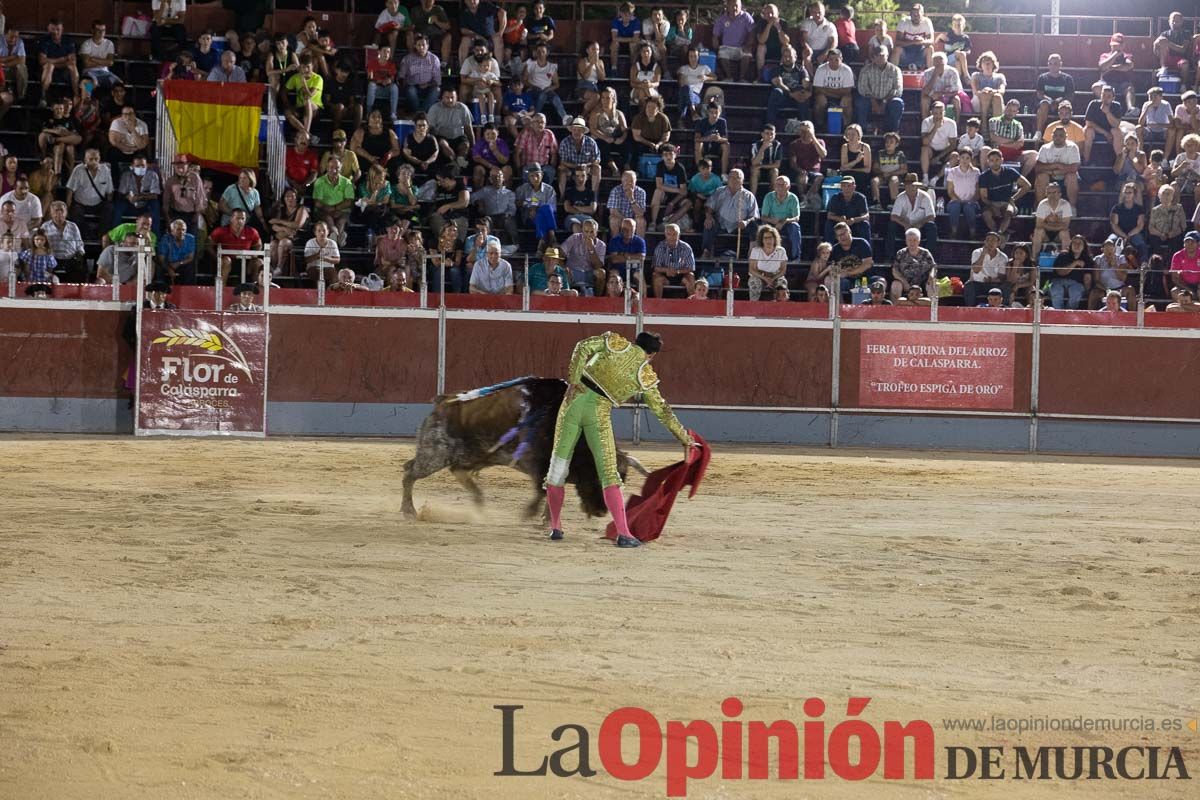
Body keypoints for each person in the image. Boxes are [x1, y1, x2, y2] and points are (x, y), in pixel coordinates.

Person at [544, 330, 694, 548]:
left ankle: (556, 528)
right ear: (652, 355)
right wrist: (684, 437)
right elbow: (662, 410)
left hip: (573, 405)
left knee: (557, 468)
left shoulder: (614, 343)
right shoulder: (644, 373)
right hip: (598, 414)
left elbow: (582, 346)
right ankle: (624, 534)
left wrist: (574, 381)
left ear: (636, 342)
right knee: (608, 474)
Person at [701, 169, 757, 259]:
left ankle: (752, 254)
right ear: (728, 179)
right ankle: (706, 251)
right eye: (731, 177)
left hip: (740, 226)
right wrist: (709, 216)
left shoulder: (748, 196)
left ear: (742, 180)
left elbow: (754, 216)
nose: (734, 180)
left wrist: (746, 222)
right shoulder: (719, 191)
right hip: (721, 224)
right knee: (709, 223)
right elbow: (709, 207)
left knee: (754, 226)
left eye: (737, 178)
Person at [978, 148, 1031, 242]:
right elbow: (983, 197)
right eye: (992, 160)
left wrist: (1014, 198)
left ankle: (999, 235)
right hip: (991, 203)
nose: (994, 163)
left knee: (1009, 211)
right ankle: (998, 235)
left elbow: (1027, 185)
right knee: (986, 214)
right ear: (988, 162)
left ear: (1002, 160)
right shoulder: (983, 176)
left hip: (1007, 202)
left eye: (997, 160)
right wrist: (993, 206)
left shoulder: (1010, 172)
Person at [855, 46, 903, 135]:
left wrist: (884, 101)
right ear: (872, 57)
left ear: (887, 55)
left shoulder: (895, 70)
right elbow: (862, 88)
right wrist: (873, 101)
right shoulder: (866, 70)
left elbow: (898, 89)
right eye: (875, 56)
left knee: (897, 103)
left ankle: (891, 133)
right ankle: (862, 132)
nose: (879, 58)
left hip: (889, 99)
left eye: (882, 55)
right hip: (869, 99)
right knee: (861, 102)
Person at [885, 173, 935, 258]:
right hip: (904, 228)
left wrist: (920, 224)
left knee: (931, 226)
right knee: (891, 226)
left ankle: (929, 257)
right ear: (905, 186)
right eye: (907, 186)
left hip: (920, 228)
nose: (910, 188)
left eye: (913, 186)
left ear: (917, 186)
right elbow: (893, 216)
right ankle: (889, 257)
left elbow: (931, 216)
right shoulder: (900, 197)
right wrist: (905, 224)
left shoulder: (925, 197)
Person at [211, 208, 263, 285]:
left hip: (245, 262)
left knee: (259, 262)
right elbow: (208, 244)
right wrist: (217, 258)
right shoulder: (221, 231)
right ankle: (220, 291)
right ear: (231, 218)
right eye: (238, 218)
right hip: (228, 262)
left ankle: (255, 290)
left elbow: (258, 245)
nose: (240, 221)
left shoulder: (252, 231)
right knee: (226, 261)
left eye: (243, 218)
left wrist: (254, 255)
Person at [1034, 123, 1081, 206]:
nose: (1058, 137)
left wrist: (1051, 170)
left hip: (1066, 177)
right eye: (1055, 135)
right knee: (1041, 177)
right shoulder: (1045, 148)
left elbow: (1074, 168)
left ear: (1066, 136)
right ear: (1052, 136)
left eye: (1061, 135)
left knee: (1072, 177)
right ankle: (1040, 207)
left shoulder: (1073, 147)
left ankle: (1072, 207)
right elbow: (1038, 168)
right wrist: (1057, 165)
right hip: (1050, 177)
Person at [268, 187, 308, 278]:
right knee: (273, 244)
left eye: (293, 196)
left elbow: (297, 225)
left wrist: (281, 222)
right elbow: (273, 225)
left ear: (296, 198)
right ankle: (273, 271)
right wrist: (285, 229)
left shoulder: (301, 209)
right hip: (284, 236)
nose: (290, 198)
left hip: (298, 238)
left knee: (283, 242)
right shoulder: (281, 210)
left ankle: (279, 268)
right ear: (284, 199)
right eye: (287, 196)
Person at [759, 174, 802, 260]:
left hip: (787, 224)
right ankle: (764, 256)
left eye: (783, 184)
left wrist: (784, 221)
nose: (780, 187)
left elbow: (796, 218)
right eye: (777, 184)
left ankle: (796, 257)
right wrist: (773, 221)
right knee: (763, 228)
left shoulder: (793, 198)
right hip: (772, 223)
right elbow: (763, 217)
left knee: (795, 227)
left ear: (788, 187)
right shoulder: (769, 197)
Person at [712, 0, 755, 82]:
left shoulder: (746, 16)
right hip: (726, 47)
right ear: (727, 7)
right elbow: (715, 36)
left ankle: (742, 78)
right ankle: (729, 77)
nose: (735, 8)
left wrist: (748, 45)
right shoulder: (722, 19)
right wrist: (716, 49)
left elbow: (752, 32)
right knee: (722, 53)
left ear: (740, 6)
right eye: (732, 6)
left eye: (737, 6)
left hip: (741, 47)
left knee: (747, 54)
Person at [561, 218, 606, 295]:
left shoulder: (601, 245)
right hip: (573, 271)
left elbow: (598, 265)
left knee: (601, 273)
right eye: (586, 231)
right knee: (564, 272)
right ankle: (567, 298)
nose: (588, 235)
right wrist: (563, 267)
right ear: (582, 230)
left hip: (590, 272)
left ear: (596, 233)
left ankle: (597, 299)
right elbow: (561, 253)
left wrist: (591, 249)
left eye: (592, 232)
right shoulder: (574, 238)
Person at [788, 120, 827, 209]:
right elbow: (792, 163)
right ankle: (803, 198)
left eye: (807, 131)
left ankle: (808, 198)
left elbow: (823, 154)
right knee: (802, 177)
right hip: (800, 170)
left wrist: (813, 138)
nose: (805, 134)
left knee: (819, 177)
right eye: (802, 131)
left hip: (814, 171)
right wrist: (800, 170)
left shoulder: (820, 142)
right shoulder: (794, 144)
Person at [649, 144, 688, 232]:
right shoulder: (660, 165)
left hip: (677, 197)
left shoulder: (680, 168)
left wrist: (673, 202)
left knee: (688, 203)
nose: (668, 157)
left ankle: (666, 224)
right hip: (665, 194)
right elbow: (659, 185)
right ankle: (653, 222)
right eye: (665, 155)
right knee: (657, 191)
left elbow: (684, 192)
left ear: (675, 155)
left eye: (670, 154)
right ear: (662, 156)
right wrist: (677, 190)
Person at [1034, 54, 1076, 136]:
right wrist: (1050, 101)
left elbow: (1070, 95)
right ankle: (1038, 133)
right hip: (1047, 104)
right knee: (1043, 105)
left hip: (1062, 103)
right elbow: (1039, 94)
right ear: (1048, 64)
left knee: (1066, 107)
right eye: (1050, 63)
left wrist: (1059, 101)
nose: (1053, 66)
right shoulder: (1042, 78)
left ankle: (1068, 134)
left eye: (1055, 63)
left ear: (1060, 64)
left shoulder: (1068, 79)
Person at [812, 48, 853, 130]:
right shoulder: (821, 69)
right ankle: (819, 126)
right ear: (827, 59)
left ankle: (846, 127)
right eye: (831, 59)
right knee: (820, 100)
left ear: (841, 59)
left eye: (836, 60)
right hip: (825, 96)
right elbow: (817, 89)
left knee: (847, 100)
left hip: (841, 96)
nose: (833, 62)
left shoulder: (847, 70)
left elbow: (847, 90)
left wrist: (826, 90)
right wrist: (837, 91)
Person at [650, 222, 695, 298]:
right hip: (665, 275)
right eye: (669, 234)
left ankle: (693, 303)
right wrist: (667, 270)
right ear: (665, 235)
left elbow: (691, 268)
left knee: (691, 276)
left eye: (674, 234)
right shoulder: (660, 247)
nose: (671, 237)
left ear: (679, 235)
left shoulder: (686, 247)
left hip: (681, 275)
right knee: (656, 277)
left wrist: (677, 271)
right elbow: (656, 267)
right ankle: (658, 303)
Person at [964, 230, 1009, 307]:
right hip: (977, 283)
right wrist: (983, 255)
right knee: (968, 286)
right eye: (988, 240)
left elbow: (1002, 276)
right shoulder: (977, 252)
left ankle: (1003, 310)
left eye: (993, 240)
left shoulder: (1003, 257)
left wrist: (992, 280)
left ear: (998, 243)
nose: (990, 242)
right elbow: (976, 270)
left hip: (993, 283)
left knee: (1006, 286)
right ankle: (970, 311)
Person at [889, 227, 935, 301]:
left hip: (923, 284)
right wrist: (904, 281)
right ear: (906, 241)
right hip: (905, 284)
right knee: (895, 285)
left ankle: (933, 310)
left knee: (932, 284)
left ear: (919, 241)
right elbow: (894, 270)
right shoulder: (901, 253)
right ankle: (896, 309)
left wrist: (931, 276)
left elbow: (933, 267)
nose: (912, 242)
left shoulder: (925, 253)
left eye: (915, 240)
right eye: (909, 240)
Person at [944, 147, 980, 238]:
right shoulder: (952, 171)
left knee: (968, 207)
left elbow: (978, 191)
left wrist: (971, 200)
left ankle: (973, 232)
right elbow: (950, 191)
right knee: (955, 206)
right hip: (955, 200)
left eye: (967, 158)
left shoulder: (976, 172)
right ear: (959, 158)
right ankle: (954, 232)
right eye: (963, 157)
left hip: (971, 202)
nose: (965, 160)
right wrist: (959, 200)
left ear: (971, 159)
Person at [1030, 182, 1072, 259]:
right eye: (1049, 193)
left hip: (1058, 235)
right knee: (1038, 231)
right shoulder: (1042, 204)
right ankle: (1034, 260)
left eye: (1054, 192)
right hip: (1045, 234)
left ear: (1060, 194)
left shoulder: (1065, 204)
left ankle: (1065, 260)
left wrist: (1048, 223)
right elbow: (1039, 224)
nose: (1052, 195)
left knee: (1065, 233)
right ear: (1046, 194)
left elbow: (1066, 226)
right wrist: (1058, 223)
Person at [283, 55, 323, 136]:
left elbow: (309, 96)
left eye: (308, 67)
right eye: (303, 67)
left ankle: (306, 133)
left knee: (307, 101)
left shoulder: (318, 78)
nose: (305, 69)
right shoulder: (295, 77)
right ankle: (307, 134)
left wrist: (303, 82)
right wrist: (289, 105)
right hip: (301, 107)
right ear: (300, 67)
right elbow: (283, 92)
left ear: (312, 66)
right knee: (287, 112)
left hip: (315, 108)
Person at [919, 100, 957, 184]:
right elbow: (925, 142)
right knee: (924, 149)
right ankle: (925, 177)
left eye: (941, 113)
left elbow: (953, 145)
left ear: (944, 113)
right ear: (931, 112)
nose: (939, 116)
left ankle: (935, 179)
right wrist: (935, 127)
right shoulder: (926, 122)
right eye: (936, 113)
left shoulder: (951, 123)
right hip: (931, 149)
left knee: (955, 156)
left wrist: (938, 157)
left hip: (944, 151)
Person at [1098, 33, 1136, 114]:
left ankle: (1130, 109)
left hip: (1123, 84)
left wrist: (1111, 67)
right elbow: (1103, 66)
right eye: (1114, 45)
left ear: (1123, 45)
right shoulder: (1104, 55)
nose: (1116, 47)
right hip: (1106, 83)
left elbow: (1128, 66)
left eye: (1118, 45)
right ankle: (1107, 106)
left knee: (1130, 89)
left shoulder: (1127, 56)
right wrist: (1114, 55)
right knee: (1096, 87)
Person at [747, 223, 787, 300]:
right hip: (760, 276)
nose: (768, 240)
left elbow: (783, 270)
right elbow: (751, 269)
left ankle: (782, 306)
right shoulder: (756, 251)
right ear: (761, 240)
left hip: (776, 276)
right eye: (765, 238)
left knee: (782, 284)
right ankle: (754, 305)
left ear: (775, 238)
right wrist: (765, 278)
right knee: (754, 282)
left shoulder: (781, 251)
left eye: (770, 237)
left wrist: (773, 278)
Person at [1049, 234, 1090, 309]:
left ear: (1084, 246)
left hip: (1076, 283)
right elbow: (1060, 272)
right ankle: (1058, 314)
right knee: (1056, 291)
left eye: (1079, 243)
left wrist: (1087, 292)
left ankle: (1069, 314)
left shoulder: (1087, 259)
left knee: (1075, 292)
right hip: (1058, 281)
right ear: (1071, 245)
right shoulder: (1063, 255)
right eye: (1074, 243)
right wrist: (1075, 263)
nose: (1076, 245)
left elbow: (1087, 277)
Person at [1110, 181, 1148, 260]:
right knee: (1109, 241)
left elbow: (1140, 226)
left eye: (1130, 192)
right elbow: (1114, 225)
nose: (1127, 195)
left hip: (1134, 234)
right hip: (1119, 233)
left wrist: (1129, 235)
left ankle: (1143, 266)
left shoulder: (1139, 209)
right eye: (1125, 192)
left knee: (1142, 245)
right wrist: (1124, 236)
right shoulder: (1116, 208)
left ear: (1134, 194)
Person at [824, 175, 869, 243]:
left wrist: (854, 220)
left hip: (855, 224)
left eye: (849, 186)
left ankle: (865, 249)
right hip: (839, 224)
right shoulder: (835, 197)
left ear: (854, 187)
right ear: (841, 187)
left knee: (865, 225)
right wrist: (839, 219)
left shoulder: (861, 198)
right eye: (844, 186)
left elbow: (866, 216)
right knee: (829, 224)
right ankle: (829, 249)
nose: (846, 188)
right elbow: (829, 215)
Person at [921, 51, 962, 119]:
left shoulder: (953, 71)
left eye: (940, 61)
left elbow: (956, 91)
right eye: (936, 61)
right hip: (932, 97)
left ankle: (956, 125)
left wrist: (941, 94)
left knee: (956, 100)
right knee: (925, 100)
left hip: (948, 96)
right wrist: (935, 75)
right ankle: (925, 124)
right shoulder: (927, 73)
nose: (938, 63)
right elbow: (925, 91)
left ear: (945, 62)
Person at [892, 3, 933, 70]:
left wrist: (922, 41)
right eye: (914, 14)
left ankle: (930, 72)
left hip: (920, 53)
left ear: (922, 14)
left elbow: (931, 40)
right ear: (910, 14)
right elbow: (897, 42)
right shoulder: (904, 21)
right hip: (906, 53)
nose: (916, 17)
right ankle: (892, 73)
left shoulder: (927, 22)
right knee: (897, 49)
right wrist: (913, 42)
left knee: (930, 48)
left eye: (918, 15)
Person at [156, 217, 196, 285]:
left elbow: (190, 257)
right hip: (167, 264)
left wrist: (179, 263)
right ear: (172, 231)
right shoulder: (165, 239)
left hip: (182, 264)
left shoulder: (190, 238)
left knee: (190, 267)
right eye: (178, 230)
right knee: (159, 268)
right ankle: (162, 290)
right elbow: (161, 259)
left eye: (183, 230)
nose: (181, 232)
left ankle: (187, 290)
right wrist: (169, 269)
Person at [609, 2, 641, 74]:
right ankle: (614, 69)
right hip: (619, 45)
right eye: (624, 14)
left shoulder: (636, 22)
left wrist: (630, 40)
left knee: (633, 44)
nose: (627, 16)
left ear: (632, 14)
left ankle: (633, 69)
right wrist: (631, 39)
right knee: (615, 44)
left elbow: (635, 39)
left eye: (629, 14)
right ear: (620, 13)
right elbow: (614, 38)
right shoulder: (616, 21)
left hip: (630, 45)